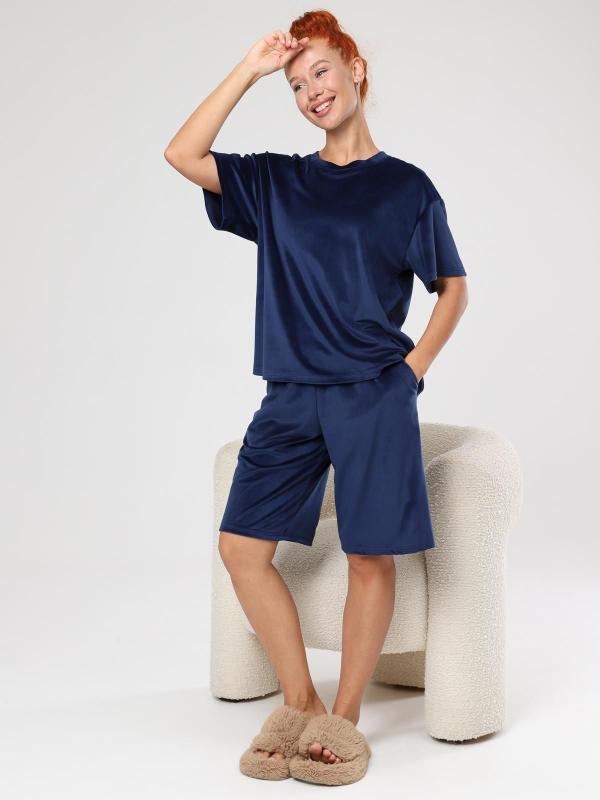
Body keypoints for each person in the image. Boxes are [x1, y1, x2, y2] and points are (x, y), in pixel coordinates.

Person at [164, 9, 468, 785]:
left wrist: (412, 370)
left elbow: (453, 286)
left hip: (373, 394)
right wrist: (251, 69)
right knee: (241, 548)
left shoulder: (407, 188)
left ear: (356, 69)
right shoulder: (277, 183)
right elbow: (182, 153)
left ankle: (345, 718)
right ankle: (300, 701)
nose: (310, 92)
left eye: (321, 73)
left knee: (369, 555)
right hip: (292, 394)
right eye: (297, 85)